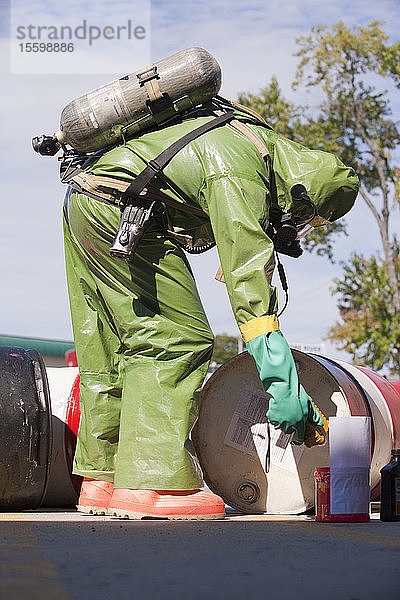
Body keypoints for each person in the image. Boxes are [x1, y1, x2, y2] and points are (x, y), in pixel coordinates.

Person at [63, 103, 359, 520]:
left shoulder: (236, 136)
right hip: (122, 211)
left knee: (112, 342)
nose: (296, 224)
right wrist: (283, 384)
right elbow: (248, 280)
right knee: (179, 338)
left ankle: (103, 477)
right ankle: (152, 483)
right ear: (302, 189)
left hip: (85, 202)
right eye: (305, 216)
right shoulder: (240, 167)